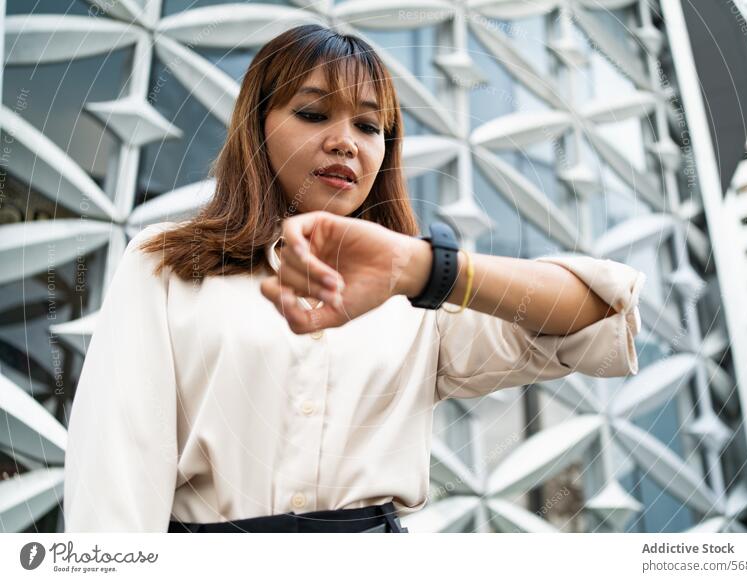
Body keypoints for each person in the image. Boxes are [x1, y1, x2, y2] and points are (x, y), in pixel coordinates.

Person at [62, 24, 646, 533]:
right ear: (255, 128)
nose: (344, 140)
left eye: (369, 126)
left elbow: (596, 315)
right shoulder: (165, 264)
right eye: (313, 113)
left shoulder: (417, 296)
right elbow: (116, 478)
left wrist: (423, 267)